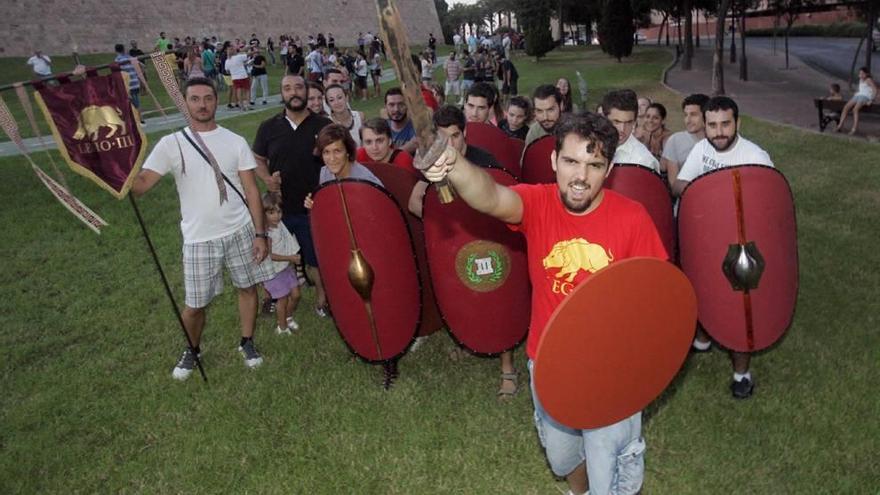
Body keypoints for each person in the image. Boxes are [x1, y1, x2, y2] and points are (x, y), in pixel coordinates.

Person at [421, 112, 667, 495]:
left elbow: (656, 299)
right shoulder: (537, 204)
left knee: (612, 470)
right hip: (550, 362)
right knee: (563, 457)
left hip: (612, 369)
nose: (581, 176)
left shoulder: (632, 218)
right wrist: (452, 163)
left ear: (610, 169)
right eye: (571, 162)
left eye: (594, 165)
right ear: (554, 161)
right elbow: (490, 195)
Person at [131, 77, 272, 380]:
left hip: (239, 230)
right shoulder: (172, 144)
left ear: (216, 101)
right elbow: (141, 186)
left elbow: (251, 191)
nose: (202, 104)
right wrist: (118, 171)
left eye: (208, 98)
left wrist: (260, 234)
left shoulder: (234, 141)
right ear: (185, 103)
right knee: (195, 306)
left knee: (247, 288)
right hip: (198, 239)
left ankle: (247, 342)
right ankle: (192, 350)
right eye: (195, 99)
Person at [672, 96, 774, 399]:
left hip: (742, 247)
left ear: (738, 124)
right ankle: (703, 339)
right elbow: (679, 184)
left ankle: (741, 373)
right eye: (712, 125)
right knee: (700, 287)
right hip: (706, 235)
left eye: (725, 124)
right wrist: (707, 192)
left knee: (740, 307)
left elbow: (770, 207)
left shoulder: (756, 157)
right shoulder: (702, 148)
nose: (718, 132)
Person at [253, 75, 334, 318]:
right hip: (279, 210)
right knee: (274, 254)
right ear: (282, 94)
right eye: (287, 88)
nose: (294, 92)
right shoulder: (269, 127)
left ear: (306, 91)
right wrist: (267, 179)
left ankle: (323, 298)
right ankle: (272, 297)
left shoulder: (322, 124)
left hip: (314, 205)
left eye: (299, 87)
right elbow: (257, 158)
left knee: (315, 257)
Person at [260, 192, 302, 335]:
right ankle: (282, 327)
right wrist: (290, 257)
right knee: (282, 300)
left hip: (285, 268)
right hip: (274, 272)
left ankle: (288, 317)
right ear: (263, 214)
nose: (276, 216)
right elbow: (269, 255)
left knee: (296, 294)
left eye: (279, 211)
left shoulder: (279, 224)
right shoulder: (267, 234)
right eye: (271, 212)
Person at [602, 90, 659, 171]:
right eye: (616, 122)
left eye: (628, 122)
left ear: (635, 121)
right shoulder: (588, 147)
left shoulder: (644, 162)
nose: (622, 129)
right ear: (604, 119)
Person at [660, 93, 709, 188]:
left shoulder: (718, 141)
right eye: (686, 115)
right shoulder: (675, 140)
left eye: (693, 115)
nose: (688, 120)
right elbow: (674, 184)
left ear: (707, 115)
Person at [835, 67, 877, 135]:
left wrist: (871, 100)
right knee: (846, 107)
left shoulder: (869, 80)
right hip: (858, 96)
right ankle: (840, 125)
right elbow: (862, 90)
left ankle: (854, 128)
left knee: (855, 110)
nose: (861, 75)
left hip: (865, 97)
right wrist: (857, 93)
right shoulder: (860, 80)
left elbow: (875, 90)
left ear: (867, 74)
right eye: (860, 73)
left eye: (863, 73)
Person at [384, 87, 418, 154]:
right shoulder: (382, 128)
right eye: (391, 105)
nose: (396, 109)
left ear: (407, 105)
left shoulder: (416, 127)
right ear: (386, 106)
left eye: (401, 104)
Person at [114, 44, 142, 117]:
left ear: (116, 50)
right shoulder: (130, 57)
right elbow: (141, 65)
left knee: (133, 102)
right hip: (135, 81)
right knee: (136, 100)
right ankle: (139, 117)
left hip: (129, 83)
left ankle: (139, 118)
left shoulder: (117, 60)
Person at [225, 46, 250, 111]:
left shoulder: (227, 61)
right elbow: (248, 55)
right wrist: (256, 51)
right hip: (243, 76)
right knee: (247, 90)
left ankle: (241, 106)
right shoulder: (238, 57)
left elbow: (227, 71)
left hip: (234, 77)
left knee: (239, 91)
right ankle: (247, 104)